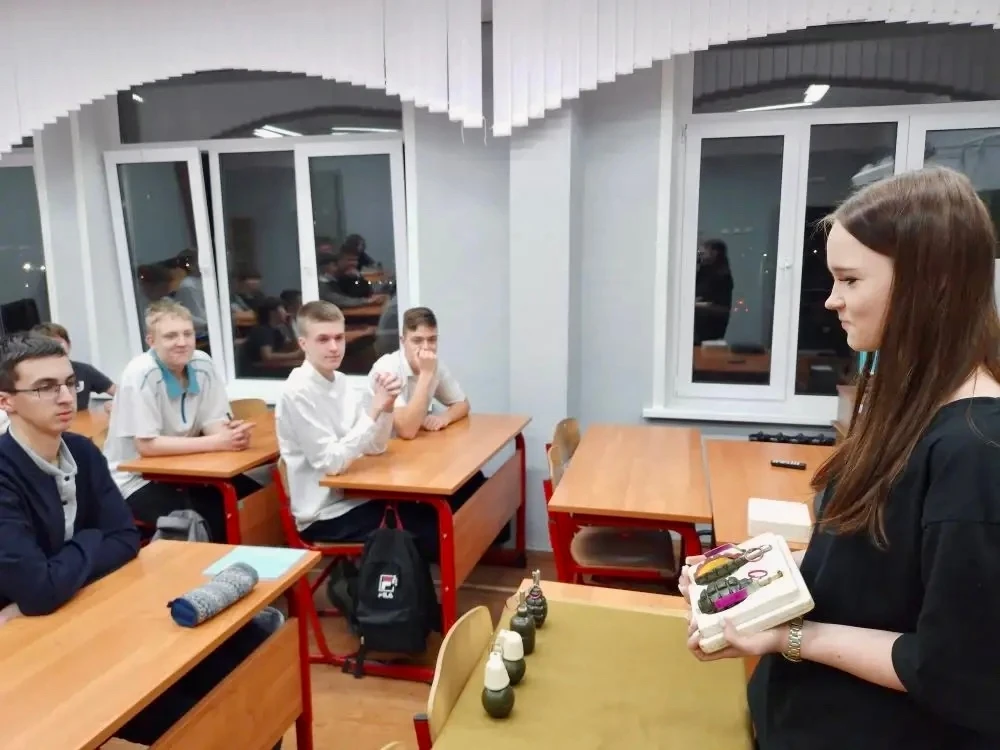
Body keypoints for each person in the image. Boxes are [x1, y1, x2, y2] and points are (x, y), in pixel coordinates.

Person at [681, 167, 1000, 749]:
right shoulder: (907, 407)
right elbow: (869, 563)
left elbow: (953, 668)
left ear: (933, 284)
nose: (832, 300)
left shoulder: (976, 452)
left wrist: (791, 637)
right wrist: (748, 575)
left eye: (850, 280)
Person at [0, 334, 281, 748]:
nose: (64, 397)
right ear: (7, 401)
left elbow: (125, 538)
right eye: (44, 387)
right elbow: (39, 591)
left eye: (69, 382)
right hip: (29, 642)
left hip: (89, 606)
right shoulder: (5, 472)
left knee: (250, 656)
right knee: (194, 711)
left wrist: (71, 560)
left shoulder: (81, 451)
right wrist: (93, 539)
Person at [277, 301, 457, 558]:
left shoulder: (341, 382)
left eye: (339, 338)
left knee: (435, 514)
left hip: (356, 497)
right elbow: (332, 463)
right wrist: (373, 410)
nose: (334, 347)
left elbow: (375, 447)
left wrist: (387, 407)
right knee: (430, 530)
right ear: (303, 343)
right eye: (323, 339)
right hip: (324, 514)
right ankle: (391, 581)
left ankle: (393, 578)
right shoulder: (297, 392)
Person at [103, 299, 260, 541]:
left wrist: (231, 436)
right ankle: (213, 564)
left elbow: (212, 421)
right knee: (206, 518)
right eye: (170, 336)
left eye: (188, 334)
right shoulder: (140, 374)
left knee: (254, 494)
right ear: (151, 341)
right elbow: (146, 446)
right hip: (135, 479)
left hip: (187, 469)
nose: (182, 342)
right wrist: (217, 442)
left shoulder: (202, 363)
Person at [368, 306, 469, 440]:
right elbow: (406, 430)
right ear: (403, 341)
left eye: (432, 340)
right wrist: (426, 375)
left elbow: (463, 403)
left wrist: (444, 418)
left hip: (410, 445)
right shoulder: (386, 369)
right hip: (379, 446)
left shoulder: (434, 364)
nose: (426, 347)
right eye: (417, 340)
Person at [31, 322, 116, 411]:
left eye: (58, 343)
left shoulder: (84, 370)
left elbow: (119, 393)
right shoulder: (31, 375)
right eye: (47, 345)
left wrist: (115, 404)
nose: (54, 349)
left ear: (69, 344)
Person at [238, 296, 302, 378]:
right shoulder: (263, 330)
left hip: (271, 367)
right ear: (273, 312)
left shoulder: (276, 330)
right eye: (283, 309)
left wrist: (290, 327)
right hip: (260, 372)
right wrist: (295, 355)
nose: (286, 313)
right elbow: (267, 356)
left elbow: (291, 348)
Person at [693, 238, 733, 345]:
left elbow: (723, 309)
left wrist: (699, 305)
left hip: (710, 326)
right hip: (698, 324)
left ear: (714, 253)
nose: (700, 255)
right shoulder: (703, 272)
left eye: (703, 252)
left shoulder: (722, 277)